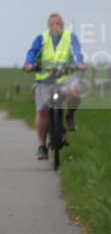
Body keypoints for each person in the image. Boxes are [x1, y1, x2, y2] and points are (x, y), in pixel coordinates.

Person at [23, 13, 86, 160]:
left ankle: (69, 116)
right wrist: (29, 64)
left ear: (63, 25)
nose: (55, 26)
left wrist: (79, 63)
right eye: (52, 24)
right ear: (48, 26)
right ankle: (42, 146)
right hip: (44, 80)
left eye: (58, 23)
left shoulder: (70, 37)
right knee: (42, 111)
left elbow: (76, 52)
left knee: (76, 91)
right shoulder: (41, 39)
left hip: (65, 78)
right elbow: (32, 52)